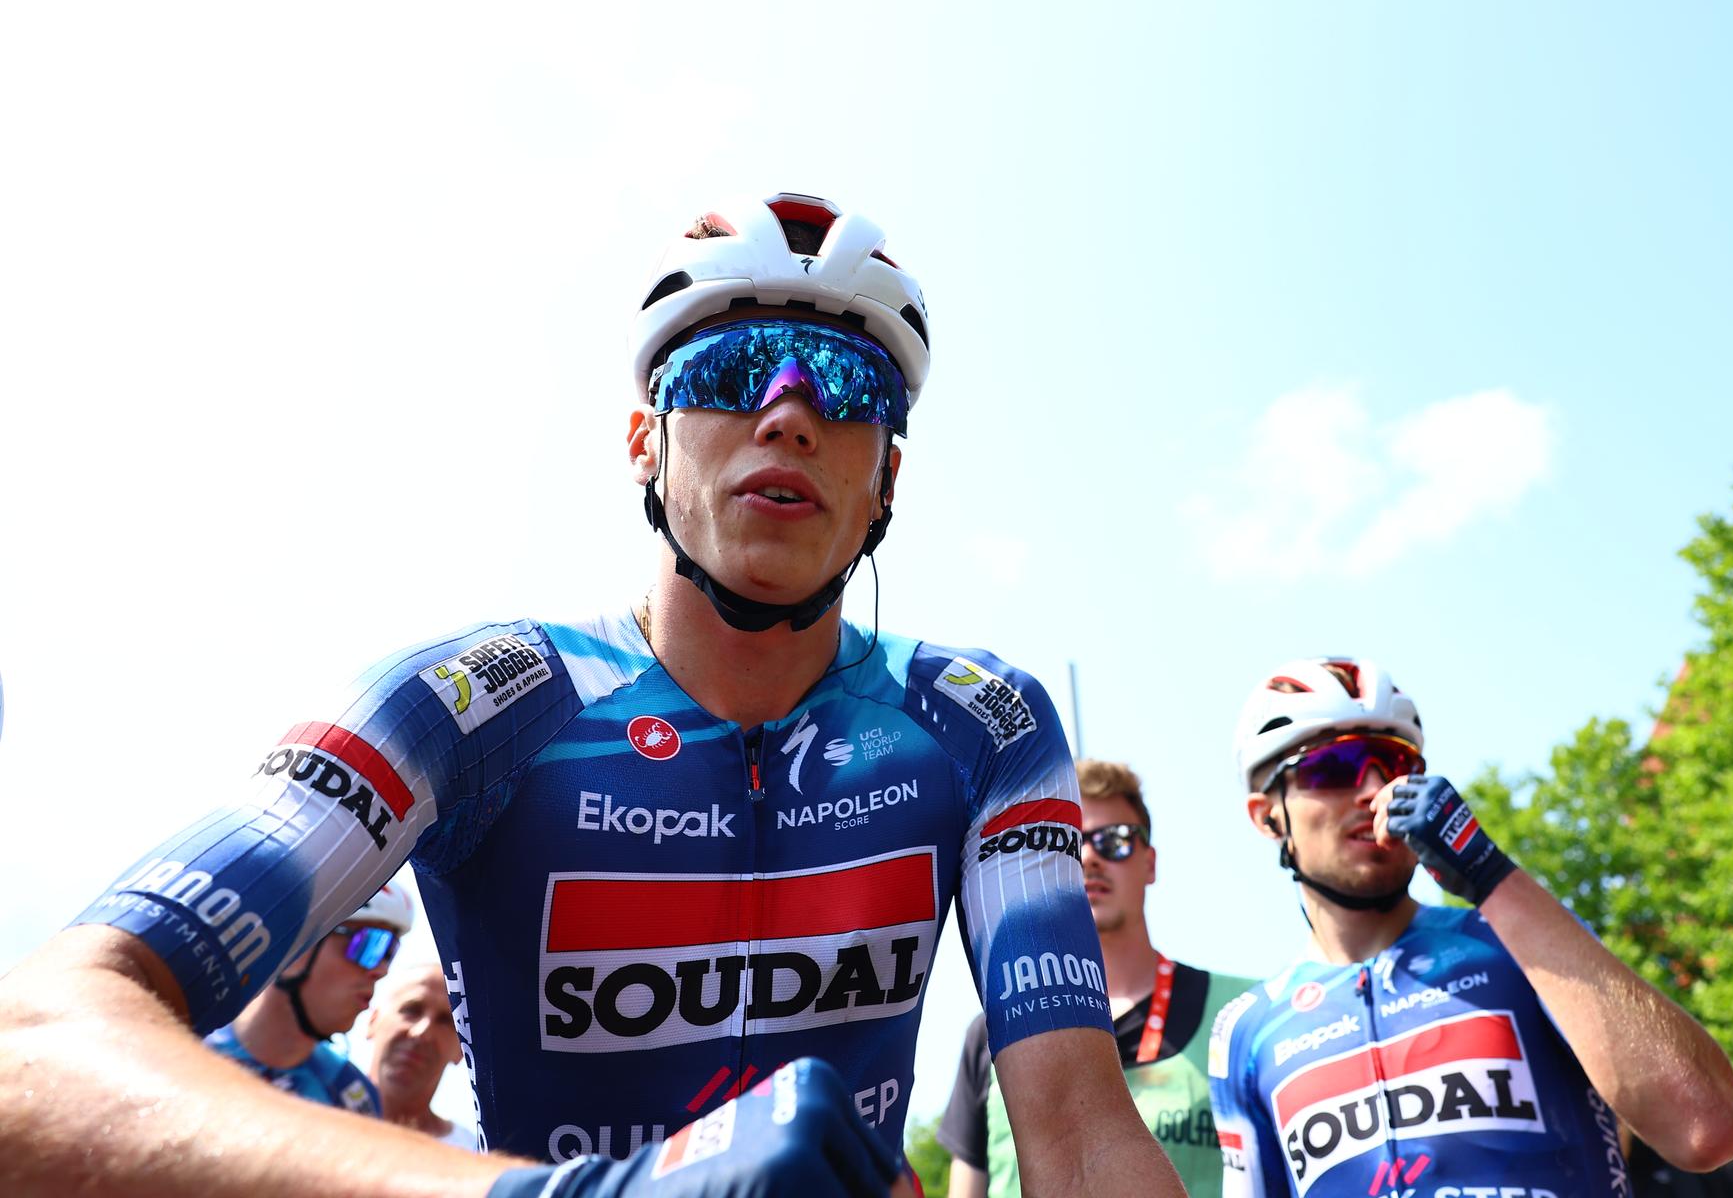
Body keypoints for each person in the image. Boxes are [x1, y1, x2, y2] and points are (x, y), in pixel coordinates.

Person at [0, 192, 1181, 1198]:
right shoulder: (468, 700)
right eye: (724, 368)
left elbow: (1076, 1131)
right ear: (642, 441)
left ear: (886, 482)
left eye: (847, 383)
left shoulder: (983, 722)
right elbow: (37, 1048)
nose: (787, 410)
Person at [1208, 657, 1733, 1197]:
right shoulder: (1247, 1034)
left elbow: (1707, 1129)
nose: (1375, 789)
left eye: (1395, 764)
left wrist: (1491, 877)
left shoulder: (1517, 942)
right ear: (1267, 815)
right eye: (1334, 766)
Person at [940, 758, 1257, 1198]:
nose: (1089, 857)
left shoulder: (1244, 1014)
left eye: (1116, 841)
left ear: (1150, 863)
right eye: (1070, 843)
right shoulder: (991, 1032)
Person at [204, 883, 411, 1116]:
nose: (381, 970)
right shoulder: (187, 1035)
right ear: (297, 946)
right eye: (370, 944)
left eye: (390, 952)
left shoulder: (352, 1098)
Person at [366, 962, 479, 1149]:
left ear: (462, 1052)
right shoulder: (312, 1105)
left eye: (445, 1021)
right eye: (412, 1009)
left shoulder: (472, 1156)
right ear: (373, 1021)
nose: (422, 1031)